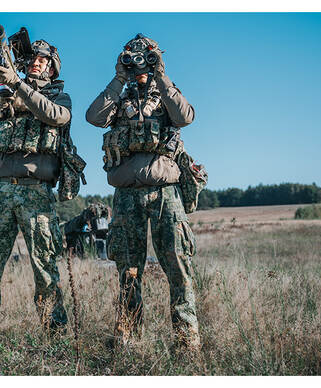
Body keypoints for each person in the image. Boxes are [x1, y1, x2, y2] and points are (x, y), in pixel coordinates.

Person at [85, 34, 200, 351]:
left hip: (165, 193)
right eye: (132, 59)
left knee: (177, 266)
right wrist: (118, 78)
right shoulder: (119, 100)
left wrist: (161, 74)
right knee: (128, 269)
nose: (139, 65)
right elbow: (93, 117)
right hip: (127, 195)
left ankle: (186, 341)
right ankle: (128, 339)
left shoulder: (166, 95)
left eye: (146, 58)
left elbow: (185, 117)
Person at [0, 36, 70, 333]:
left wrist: (17, 84)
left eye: (42, 60)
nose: (35, 63)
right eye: (32, 59)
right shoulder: (4, 94)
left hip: (35, 191)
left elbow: (57, 117)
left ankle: (54, 329)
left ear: (52, 68)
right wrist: (0, 107)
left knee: (44, 262)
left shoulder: (58, 96)